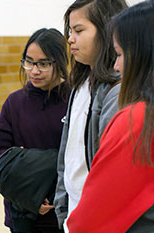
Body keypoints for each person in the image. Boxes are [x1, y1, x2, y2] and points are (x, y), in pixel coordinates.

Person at [67, 1, 154, 232]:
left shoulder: (138, 119)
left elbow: (94, 214)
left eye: (120, 54)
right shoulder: (79, 85)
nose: (117, 66)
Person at [53, 0, 128, 231]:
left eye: (79, 30)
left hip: (97, 220)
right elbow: (67, 156)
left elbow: (113, 176)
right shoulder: (79, 84)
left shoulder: (117, 91)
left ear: (107, 31)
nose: (70, 39)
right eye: (70, 31)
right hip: (73, 216)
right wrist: (63, 209)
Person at [0, 28, 70, 233]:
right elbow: (0, 156)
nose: (34, 70)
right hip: (22, 212)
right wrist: (29, 197)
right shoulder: (14, 102)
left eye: (43, 64)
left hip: (64, 212)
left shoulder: (74, 99)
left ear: (59, 62)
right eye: (29, 62)